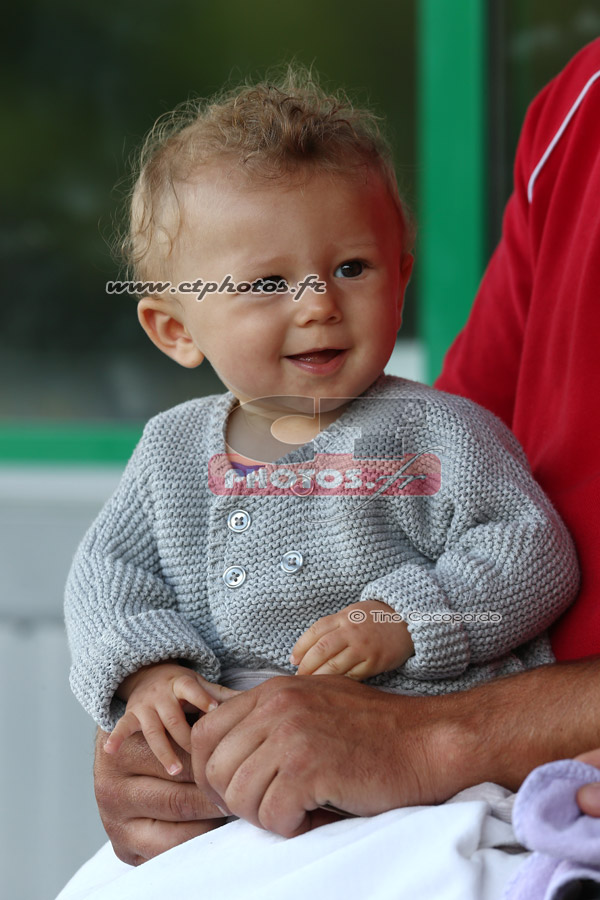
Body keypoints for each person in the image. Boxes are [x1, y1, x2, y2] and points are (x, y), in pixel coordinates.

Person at [57, 40, 600, 897]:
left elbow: (529, 548)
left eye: (351, 268)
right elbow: (109, 576)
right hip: (237, 774)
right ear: (175, 329)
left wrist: (404, 617)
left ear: (401, 275)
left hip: (428, 781)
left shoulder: (439, 433)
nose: (318, 304)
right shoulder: (170, 455)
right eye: (265, 284)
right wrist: (147, 676)